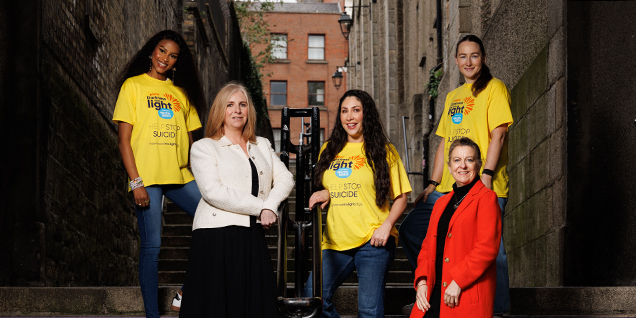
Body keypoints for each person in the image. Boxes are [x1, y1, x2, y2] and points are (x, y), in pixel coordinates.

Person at [399, 34, 513, 316]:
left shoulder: (495, 88)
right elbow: (442, 145)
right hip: (449, 190)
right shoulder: (452, 97)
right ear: (456, 61)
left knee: (491, 250)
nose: (468, 61)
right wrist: (432, 183)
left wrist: (486, 174)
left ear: (483, 58)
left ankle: (497, 310)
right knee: (412, 229)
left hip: (483, 184)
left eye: (474, 55)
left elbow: (498, 135)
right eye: (463, 56)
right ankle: (429, 288)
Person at [179, 83, 294, 317]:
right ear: (220, 110)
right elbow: (213, 191)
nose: (237, 110)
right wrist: (262, 208)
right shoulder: (204, 147)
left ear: (249, 110)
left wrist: (270, 206)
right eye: (230, 105)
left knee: (256, 306)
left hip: (252, 235)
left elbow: (286, 177)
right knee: (217, 308)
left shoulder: (261, 144)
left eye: (242, 105)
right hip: (216, 237)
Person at [112, 30, 206, 318]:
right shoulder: (133, 86)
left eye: (173, 55)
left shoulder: (181, 93)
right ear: (152, 52)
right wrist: (136, 183)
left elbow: (194, 144)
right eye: (162, 51)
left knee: (217, 222)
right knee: (152, 247)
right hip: (147, 179)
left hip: (181, 177)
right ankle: (152, 315)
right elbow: (124, 141)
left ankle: (185, 291)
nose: (165, 58)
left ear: (177, 62)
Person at [303, 89, 412, 318]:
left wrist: (386, 226)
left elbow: (402, 197)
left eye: (356, 110)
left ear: (366, 114)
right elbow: (333, 184)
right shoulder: (329, 149)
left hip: (373, 241)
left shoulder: (384, 150)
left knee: (368, 311)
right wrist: (326, 192)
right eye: (344, 111)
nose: (349, 117)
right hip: (336, 241)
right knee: (312, 298)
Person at [410, 137, 502, 318]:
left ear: (478, 164)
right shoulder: (441, 203)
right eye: (457, 160)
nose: (463, 166)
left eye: (469, 160)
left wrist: (458, 281)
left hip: (463, 293)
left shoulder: (487, 198)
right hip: (433, 292)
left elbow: (487, 248)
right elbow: (427, 246)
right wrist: (422, 280)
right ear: (449, 167)